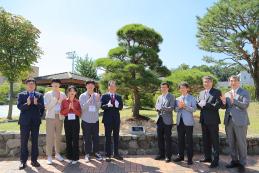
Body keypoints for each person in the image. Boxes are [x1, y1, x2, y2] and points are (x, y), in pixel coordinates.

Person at [220, 75, 250, 172]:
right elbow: (225, 107)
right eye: (231, 81)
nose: (233, 82)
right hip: (229, 121)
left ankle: (242, 163)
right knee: (231, 142)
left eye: (235, 81)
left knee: (241, 143)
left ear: (238, 82)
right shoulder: (227, 93)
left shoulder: (244, 92)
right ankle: (234, 160)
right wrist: (223, 103)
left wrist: (235, 101)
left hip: (240, 121)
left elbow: (245, 105)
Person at [17, 78, 44, 170]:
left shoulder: (39, 95)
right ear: (26, 85)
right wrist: (27, 104)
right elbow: (19, 107)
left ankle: (34, 160)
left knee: (35, 141)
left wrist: (37, 104)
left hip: (35, 122)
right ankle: (23, 161)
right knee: (23, 141)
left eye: (33, 84)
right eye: (29, 84)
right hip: (24, 122)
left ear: (35, 85)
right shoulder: (21, 95)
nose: (31, 85)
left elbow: (42, 108)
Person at [197, 76, 222, 168]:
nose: (206, 83)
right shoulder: (201, 92)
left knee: (215, 141)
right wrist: (198, 105)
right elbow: (199, 105)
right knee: (206, 140)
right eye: (204, 82)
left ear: (212, 83)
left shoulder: (217, 92)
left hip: (213, 120)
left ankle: (216, 160)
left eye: (207, 82)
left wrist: (206, 104)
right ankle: (207, 157)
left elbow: (217, 106)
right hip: (203, 120)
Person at [173, 82, 197, 165]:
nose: (182, 89)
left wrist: (185, 106)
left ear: (187, 89)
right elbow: (175, 110)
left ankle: (190, 158)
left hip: (189, 122)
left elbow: (194, 109)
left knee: (189, 141)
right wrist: (179, 107)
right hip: (180, 122)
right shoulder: (177, 99)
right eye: (181, 88)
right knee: (180, 140)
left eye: (184, 88)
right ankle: (181, 156)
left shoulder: (192, 98)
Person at [44, 79, 66, 164]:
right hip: (50, 117)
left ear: (59, 85)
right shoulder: (47, 94)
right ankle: (49, 156)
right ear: (51, 85)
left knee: (58, 136)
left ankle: (57, 154)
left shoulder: (63, 94)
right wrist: (55, 99)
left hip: (59, 117)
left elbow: (64, 106)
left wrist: (60, 102)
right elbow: (47, 107)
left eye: (57, 85)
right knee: (49, 136)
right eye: (54, 85)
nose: (56, 86)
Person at [79, 80, 103, 162]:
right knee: (87, 138)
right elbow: (82, 108)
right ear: (86, 86)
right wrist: (88, 101)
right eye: (88, 85)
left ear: (94, 86)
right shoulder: (82, 96)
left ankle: (96, 153)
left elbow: (98, 108)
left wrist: (97, 100)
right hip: (86, 120)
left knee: (96, 137)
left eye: (92, 85)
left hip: (95, 120)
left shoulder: (97, 95)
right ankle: (87, 154)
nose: (90, 86)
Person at [101, 80, 123, 162]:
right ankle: (108, 155)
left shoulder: (119, 97)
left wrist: (118, 105)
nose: (113, 87)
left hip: (116, 119)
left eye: (114, 86)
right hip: (107, 120)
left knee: (116, 137)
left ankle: (116, 154)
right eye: (111, 86)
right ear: (108, 87)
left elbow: (121, 107)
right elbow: (102, 106)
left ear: (116, 88)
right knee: (108, 137)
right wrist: (107, 105)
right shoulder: (104, 96)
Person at [60, 85, 81, 164]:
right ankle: (69, 156)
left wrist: (73, 109)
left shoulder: (77, 101)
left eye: (73, 91)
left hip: (75, 120)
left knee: (75, 139)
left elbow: (79, 113)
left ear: (75, 92)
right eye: (70, 91)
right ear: (68, 92)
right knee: (68, 138)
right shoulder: (64, 101)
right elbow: (62, 112)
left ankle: (75, 158)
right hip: (67, 120)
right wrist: (68, 108)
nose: (72, 92)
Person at [155, 82, 175, 163]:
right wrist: (157, 108)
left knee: (167, 139)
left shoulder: (172, 96)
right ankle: (161, 154)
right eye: (161, 87)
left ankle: (168, 156)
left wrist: (162, 107)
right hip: (159, 120)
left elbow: (171, 108)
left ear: (168, 88)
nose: (163, 89)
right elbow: (156, 106)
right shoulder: (159, 97)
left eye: (164, 87)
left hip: (167, 121)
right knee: (160, 138)